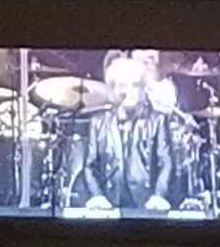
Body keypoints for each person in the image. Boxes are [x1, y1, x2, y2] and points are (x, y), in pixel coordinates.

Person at [71, 55, 174, 213]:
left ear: (143, 89)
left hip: (146, 203)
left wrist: (159, 195)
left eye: (135, 85)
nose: (129, 91)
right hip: (109, 202)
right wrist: (97, 196)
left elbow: (166, 161)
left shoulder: (157, 120)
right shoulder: (99, 122)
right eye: (123, 85)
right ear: (113, 89)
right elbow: (89, 166)